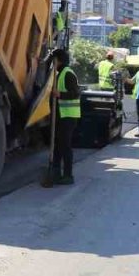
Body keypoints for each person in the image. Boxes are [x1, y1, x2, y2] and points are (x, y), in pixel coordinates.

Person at [45, 48, 80, 187]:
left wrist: (60, 94)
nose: (53, 63)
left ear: (58, 60)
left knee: (65, 146)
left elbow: (75, 93)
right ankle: (56, 173)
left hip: (68, 116)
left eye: (54, 60)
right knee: (58, 146)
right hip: (61, 116)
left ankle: (68, 175)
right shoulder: (60, 74)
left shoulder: (68, 74)